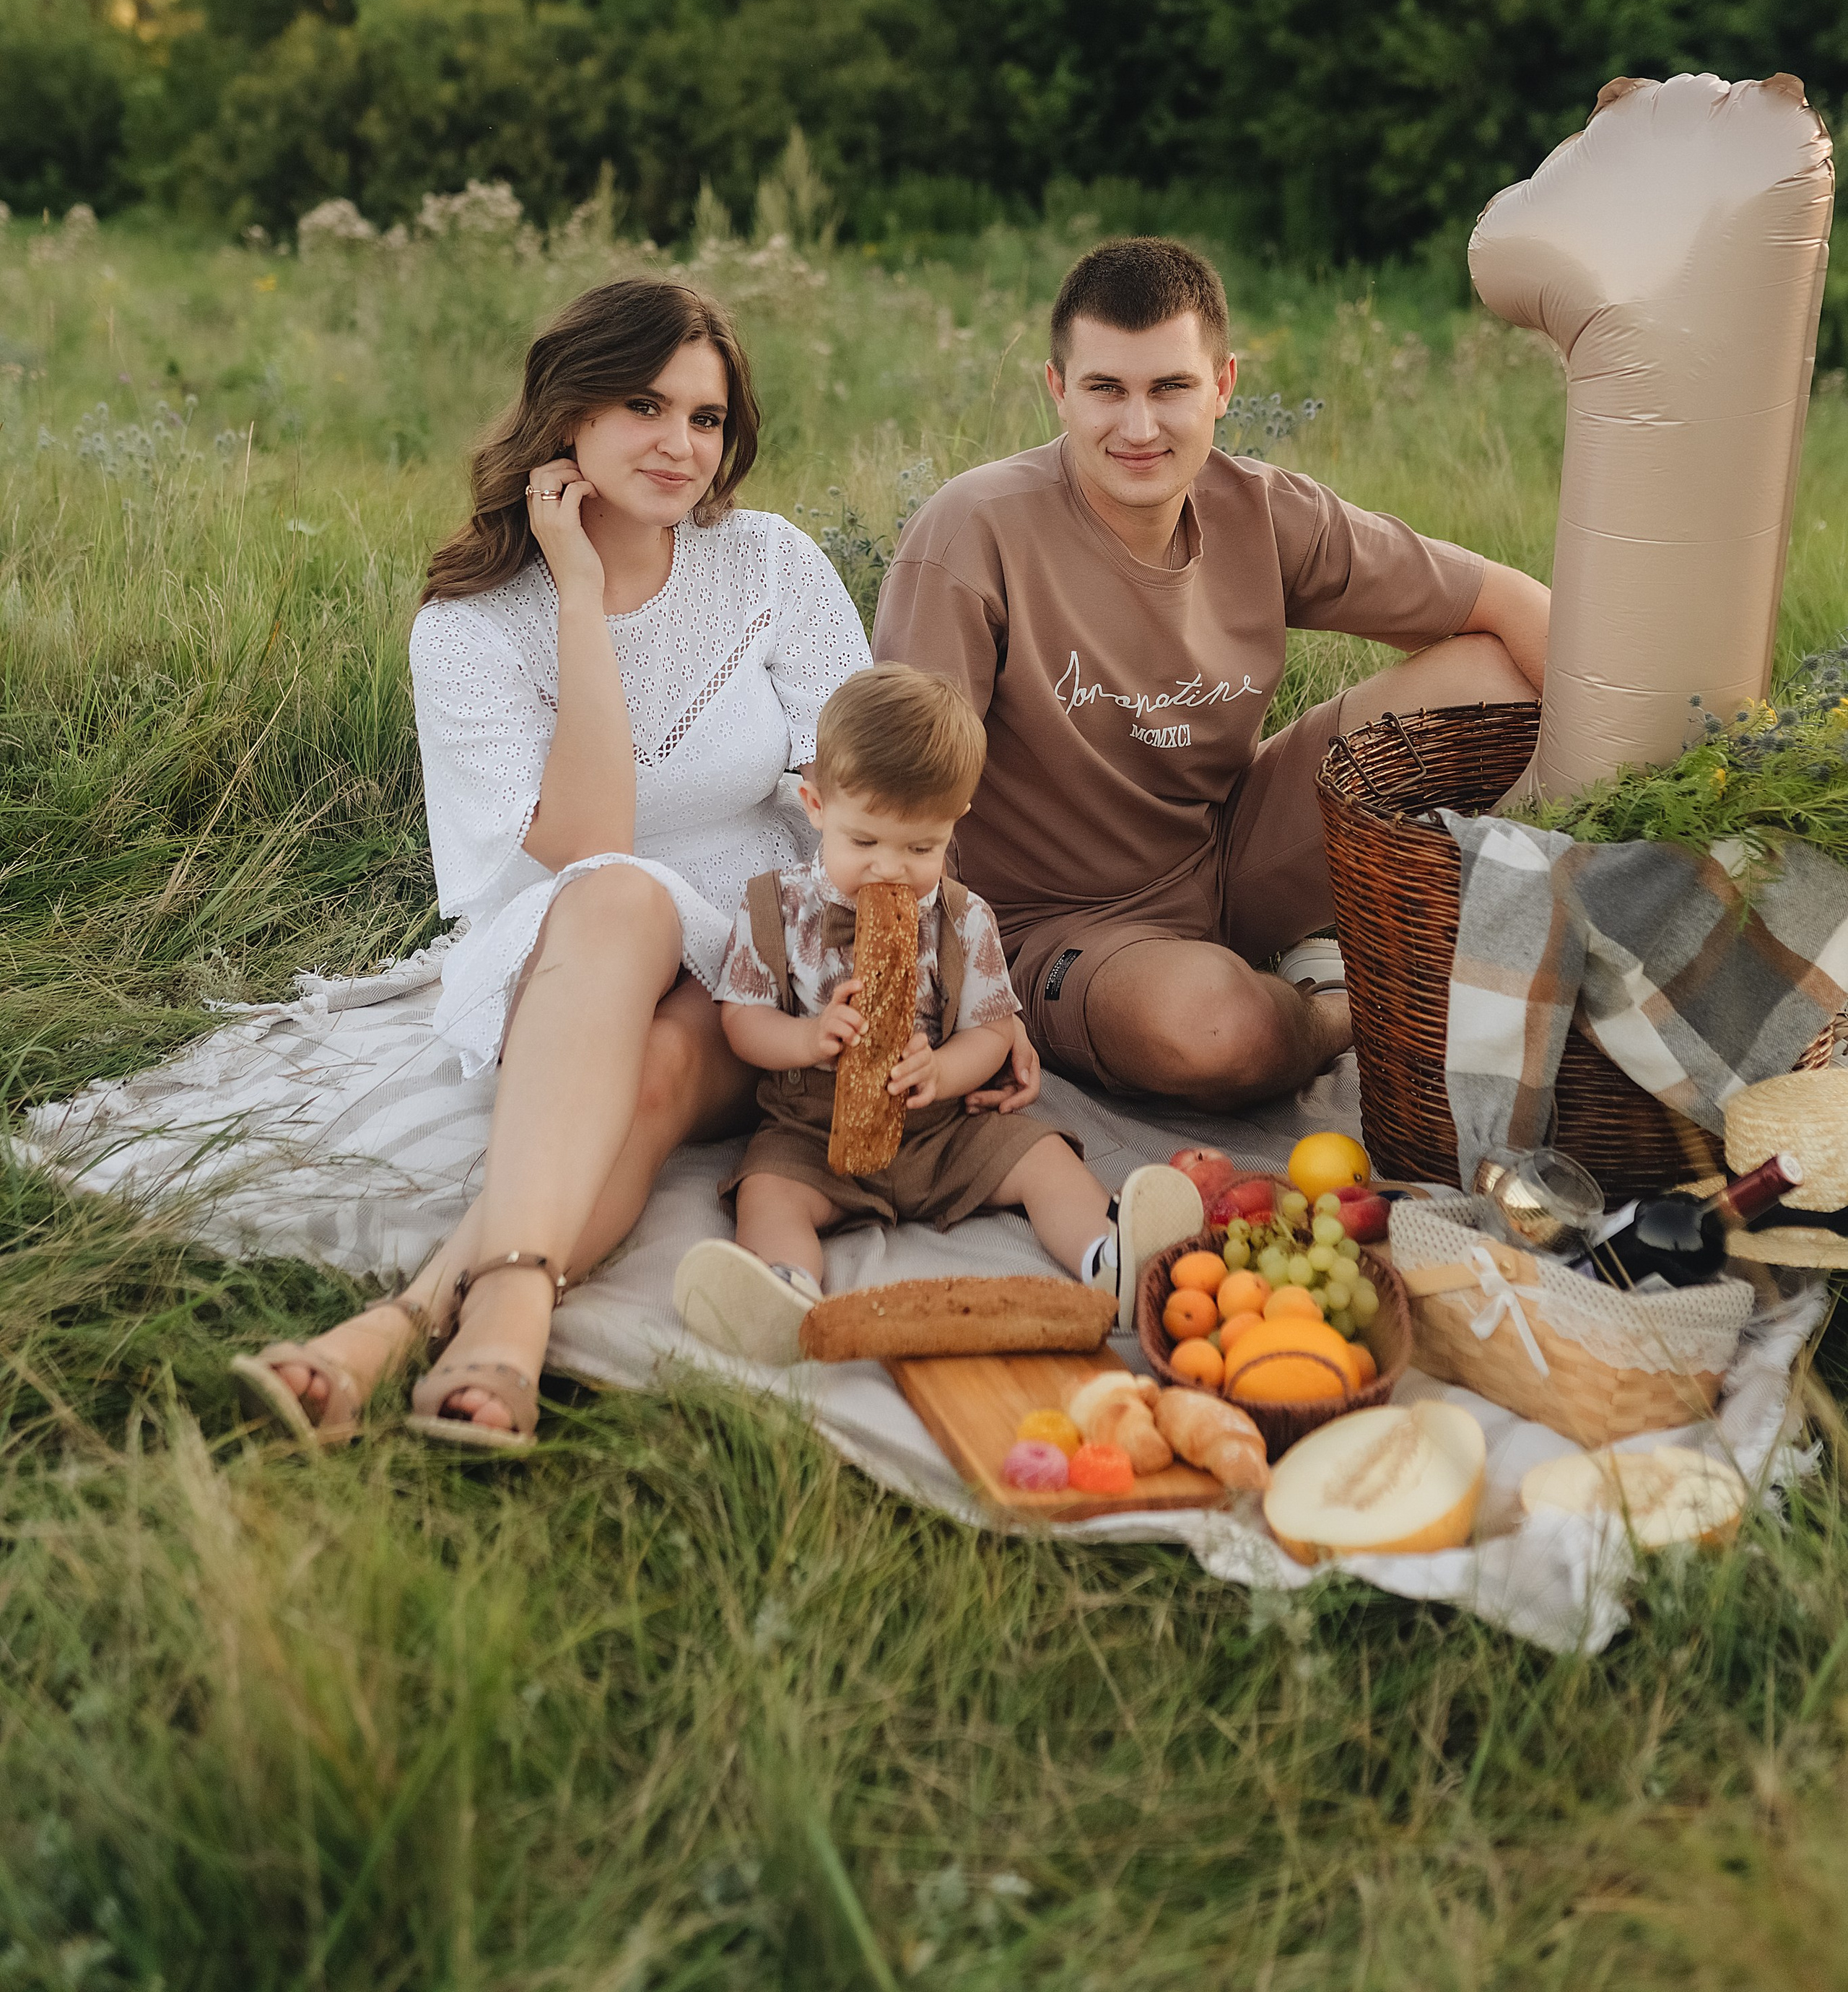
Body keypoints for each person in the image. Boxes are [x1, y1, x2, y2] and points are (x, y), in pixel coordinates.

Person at [231, 275, 873, 1452]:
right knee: (621, 907)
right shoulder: (472, 627)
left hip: (762, 937)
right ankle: (494, 1327)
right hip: (581, 940)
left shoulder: (770, 564)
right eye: (644, 404)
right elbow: (590, 846)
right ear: (568, 412)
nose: (680, 444)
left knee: (666, 1066)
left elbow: (868, 787)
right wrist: (580, 591)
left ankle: (414, 1320)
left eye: (707, 416)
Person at [872, 237, 1551, 1112]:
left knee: (1496, 677)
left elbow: (1513, 603)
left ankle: (1292, 947)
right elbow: (900, 802)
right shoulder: (974, 533)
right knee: (1226, 1030)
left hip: (1224, 855)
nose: (1139, 427)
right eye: (1106, 389)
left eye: (1171, 388)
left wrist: (1629, 807)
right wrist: (942, 1012)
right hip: (1050, 931)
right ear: (1057, 389)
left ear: (1224, 384)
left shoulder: (1263, 509)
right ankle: (1345, 1008)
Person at [671, 664, 1202, 1361]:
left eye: (921, 848)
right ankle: (785, 1291)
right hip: (815, 1129)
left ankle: (1111, 1261)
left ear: (956, 825)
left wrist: (946, 1070)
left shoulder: (964, 917)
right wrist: (808, 1038)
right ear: (815, 805)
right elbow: (741, 1020)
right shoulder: (775, 906)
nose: (890, 868)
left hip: (945, 1130)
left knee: (1044, 1158)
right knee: (768, 1193)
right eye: (864, 843)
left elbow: (990, 1028)